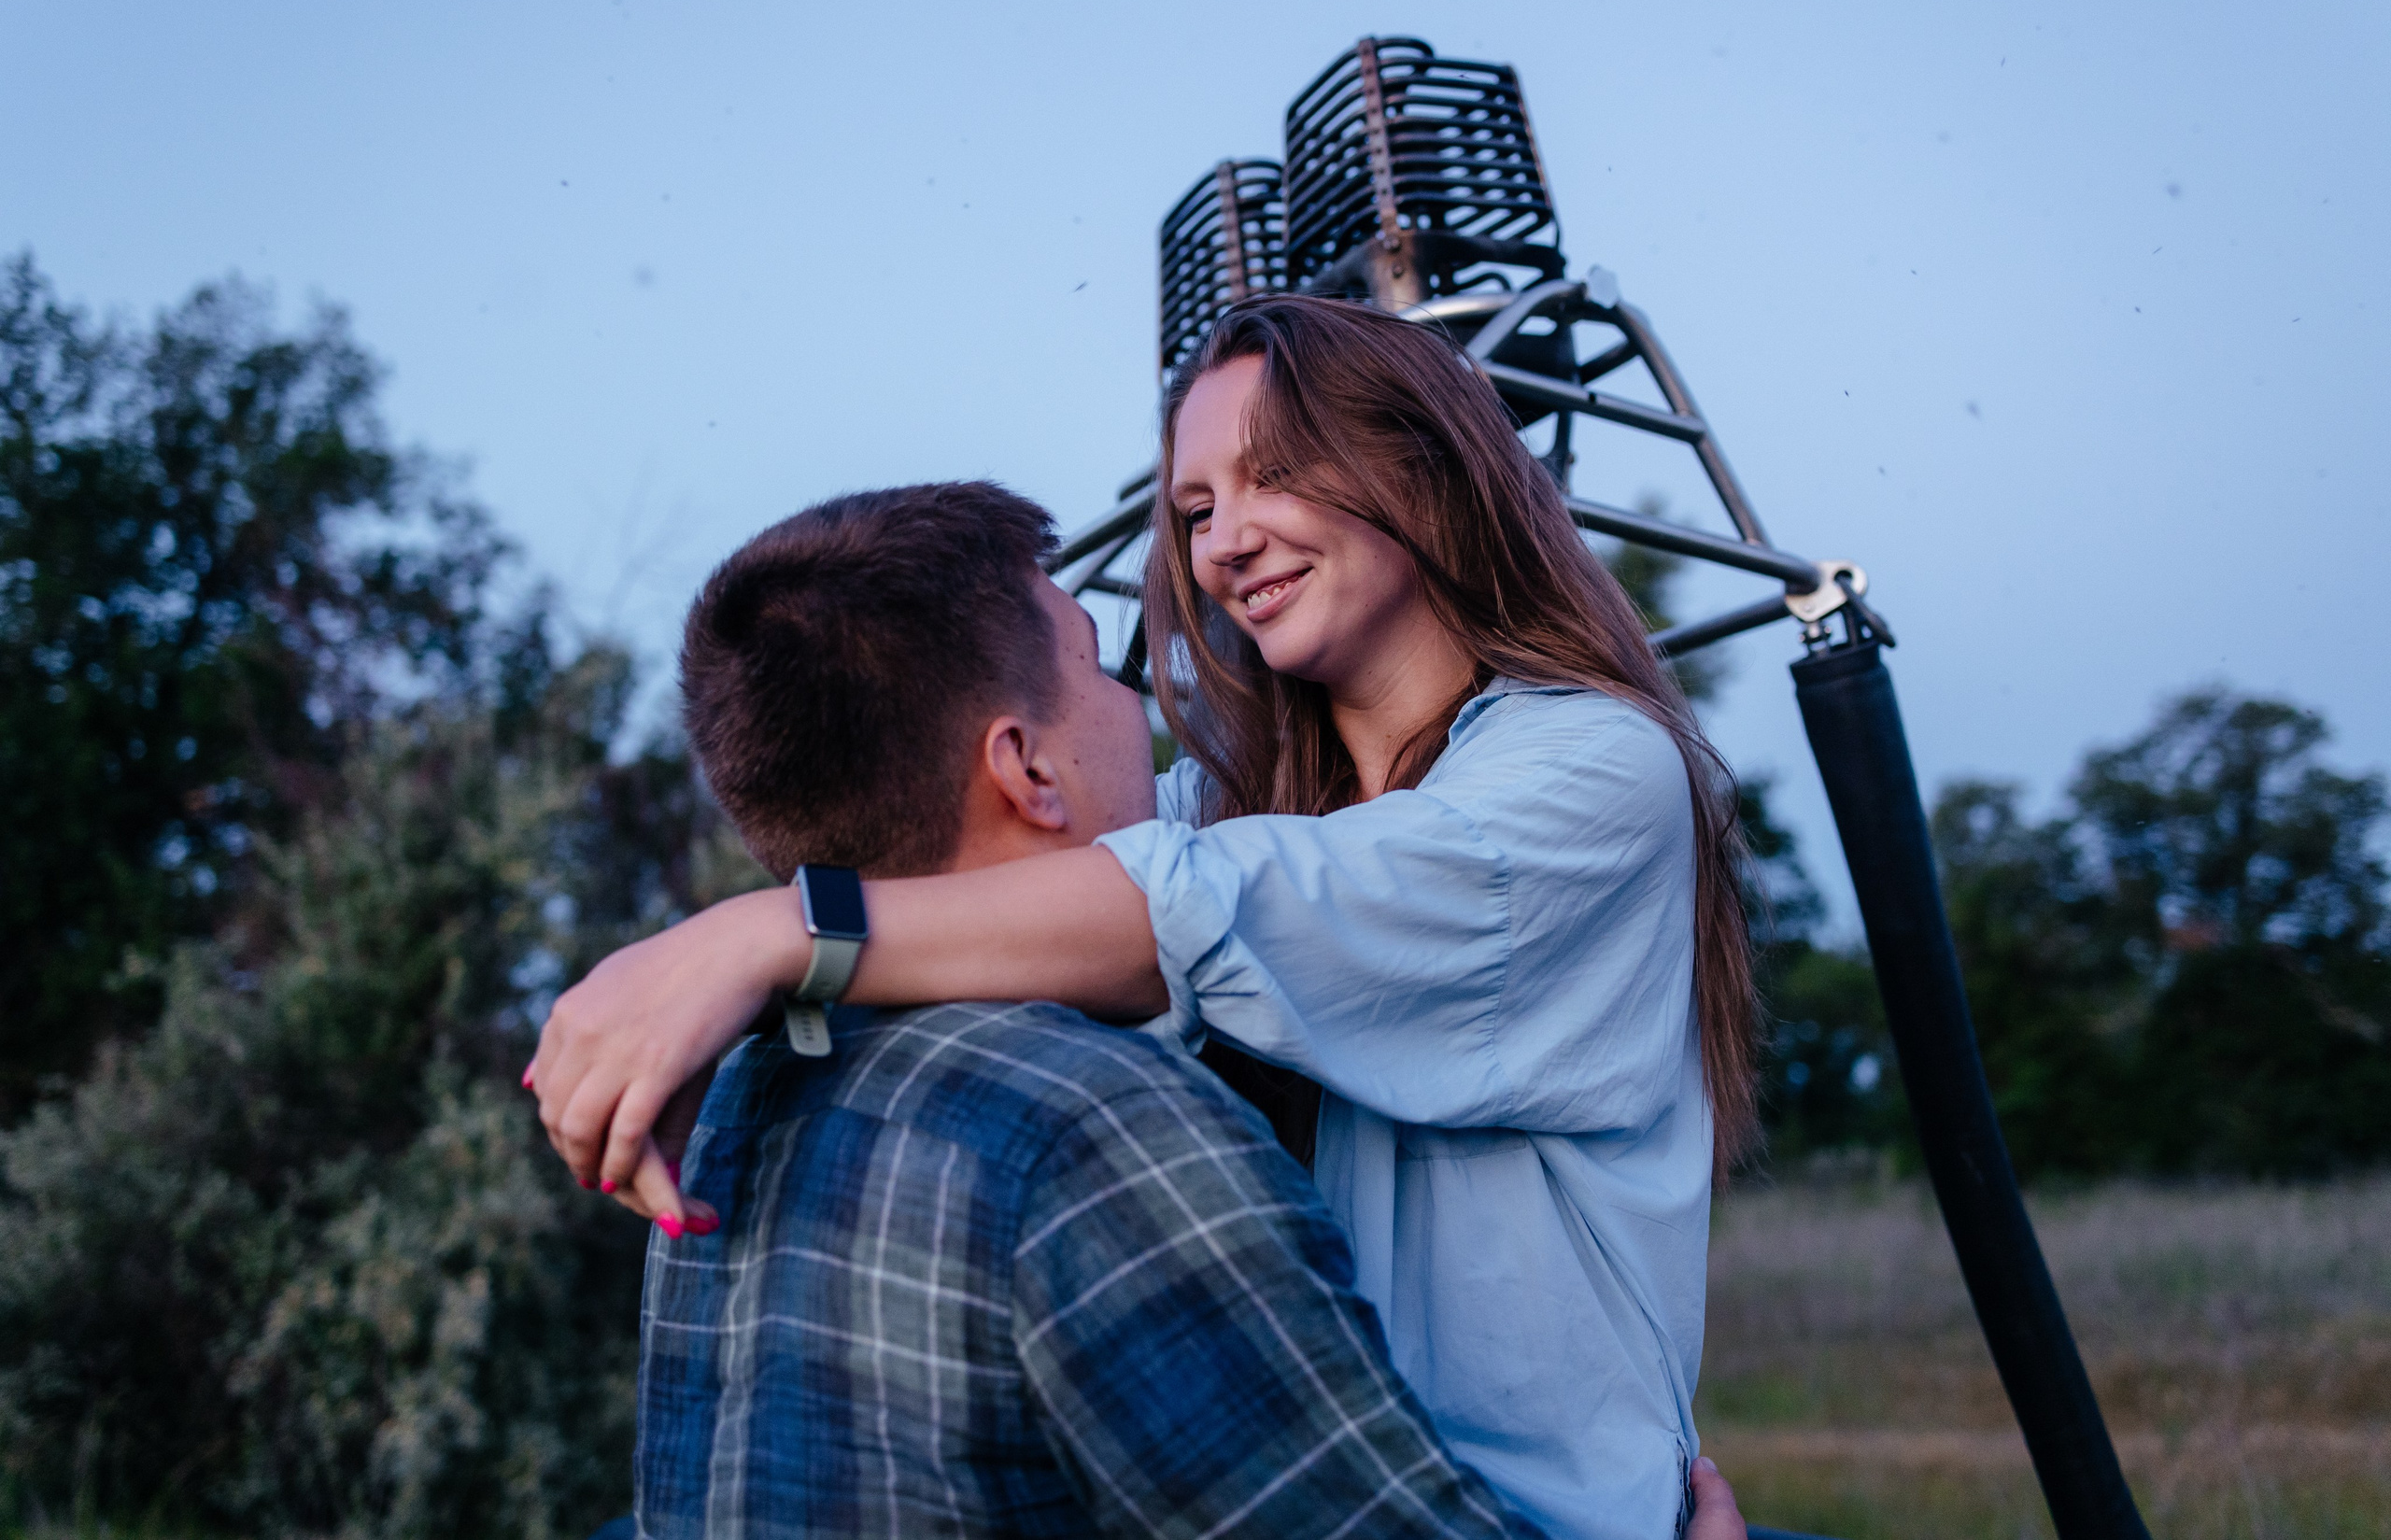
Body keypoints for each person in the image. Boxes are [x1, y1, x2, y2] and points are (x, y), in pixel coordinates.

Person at [533, 295, 1760, 1540]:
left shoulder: (1595, 773)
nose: (1225, 540)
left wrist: (770, 933)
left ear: (1431, 465)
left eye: (1272, 473)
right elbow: (1008, 863)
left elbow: (1213, 906)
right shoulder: (1221, 808)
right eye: (1195, 511)